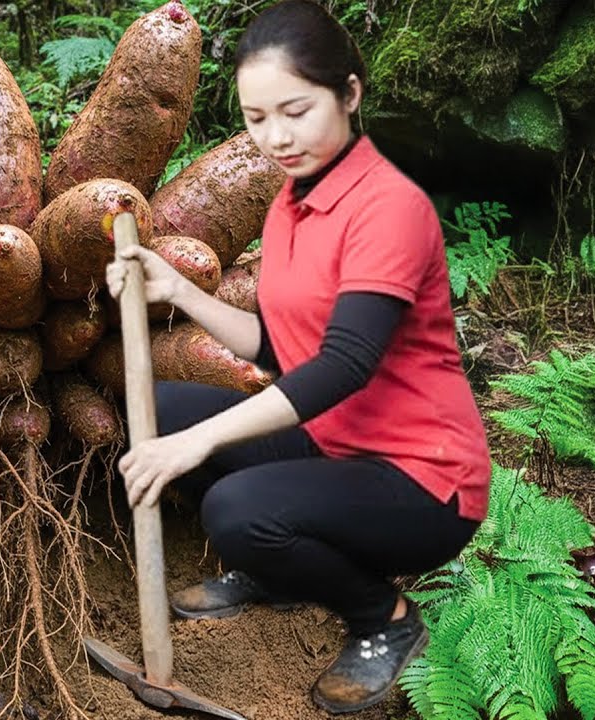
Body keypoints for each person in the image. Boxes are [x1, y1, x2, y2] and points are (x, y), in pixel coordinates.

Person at [104, 0, 491, 713]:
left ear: (349, 94)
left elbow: (343, 365)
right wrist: (179, 291)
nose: (276, 136)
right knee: (156, 409)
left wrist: (198, 443)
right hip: (335, 443)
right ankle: (278, 572)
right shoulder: (290, 203)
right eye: (257, 118)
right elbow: (282, 348)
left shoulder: (389, 209)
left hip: (423, 480)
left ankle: (384, 619)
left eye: (296, 110)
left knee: (236, 509)